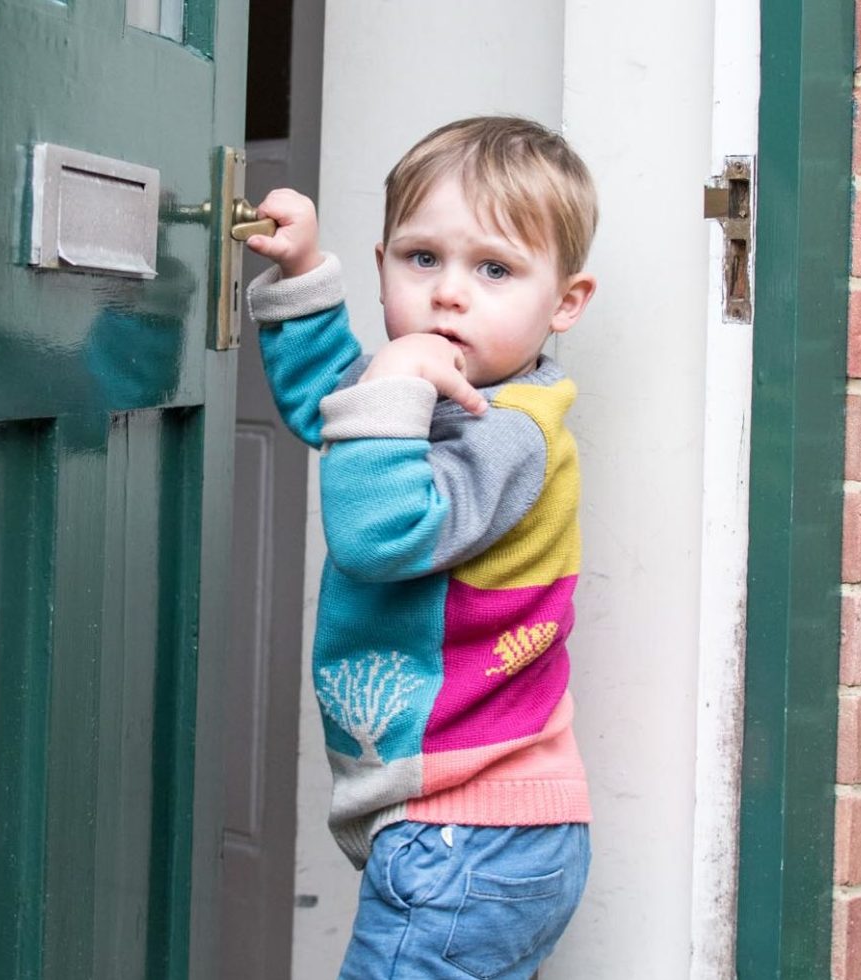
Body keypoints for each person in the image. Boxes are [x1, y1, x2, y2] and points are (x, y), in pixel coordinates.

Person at [244, 115, 599, 980]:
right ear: (382, 266)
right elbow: (344, 408)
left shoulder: (511, 432)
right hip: (465, 831)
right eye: (422, 258)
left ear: (566, 302)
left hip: (468, 837)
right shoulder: (446, 394)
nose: (449, 293)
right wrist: (302, 275)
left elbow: (377, 531)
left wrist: (396, 378)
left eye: (494, 269)